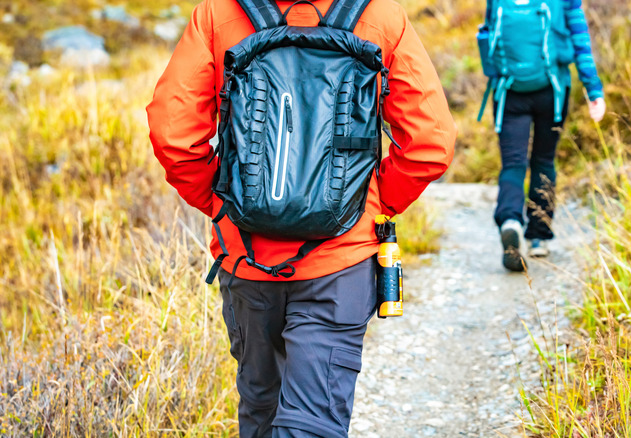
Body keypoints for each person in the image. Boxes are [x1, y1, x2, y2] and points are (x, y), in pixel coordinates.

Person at [146, 0, 456, 436]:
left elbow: (172, 135)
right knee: (313, 422)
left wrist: (225, 204)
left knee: (260, 408)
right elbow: (430, 143)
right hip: (340, 265)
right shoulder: (380, 16)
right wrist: (373, 204)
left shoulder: (217, 14)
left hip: (247, 260)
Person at [481, 0, 606, 271]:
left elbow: (489, 32)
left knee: (513, 164)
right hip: (553, 90)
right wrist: (593, 89)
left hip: (508, 92)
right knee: (544, 161)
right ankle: (538, 235)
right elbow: (580, 38)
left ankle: (510, 220)